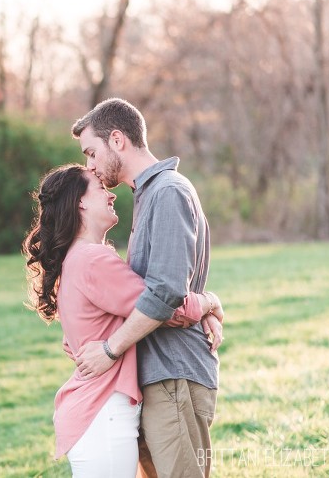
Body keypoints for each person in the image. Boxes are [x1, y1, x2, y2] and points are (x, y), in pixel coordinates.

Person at [22, 164, 223, 478]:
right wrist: (211, 302)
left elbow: (71, 343)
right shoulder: (93, 259)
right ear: (81, 203)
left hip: (95, 415)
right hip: (105, 415)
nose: (111, 194)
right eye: (100, 188)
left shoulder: (75, 260)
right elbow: (166, 306)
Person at [70, 97, 221, 478]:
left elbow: (166, 292)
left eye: (91, 152)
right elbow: (165, 286)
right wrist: (208, 303)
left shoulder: (167, 191)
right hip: (157, 377)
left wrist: (110, 348)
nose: (89, 164)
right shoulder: (148, 195)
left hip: (175, 375)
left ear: (117, 140)